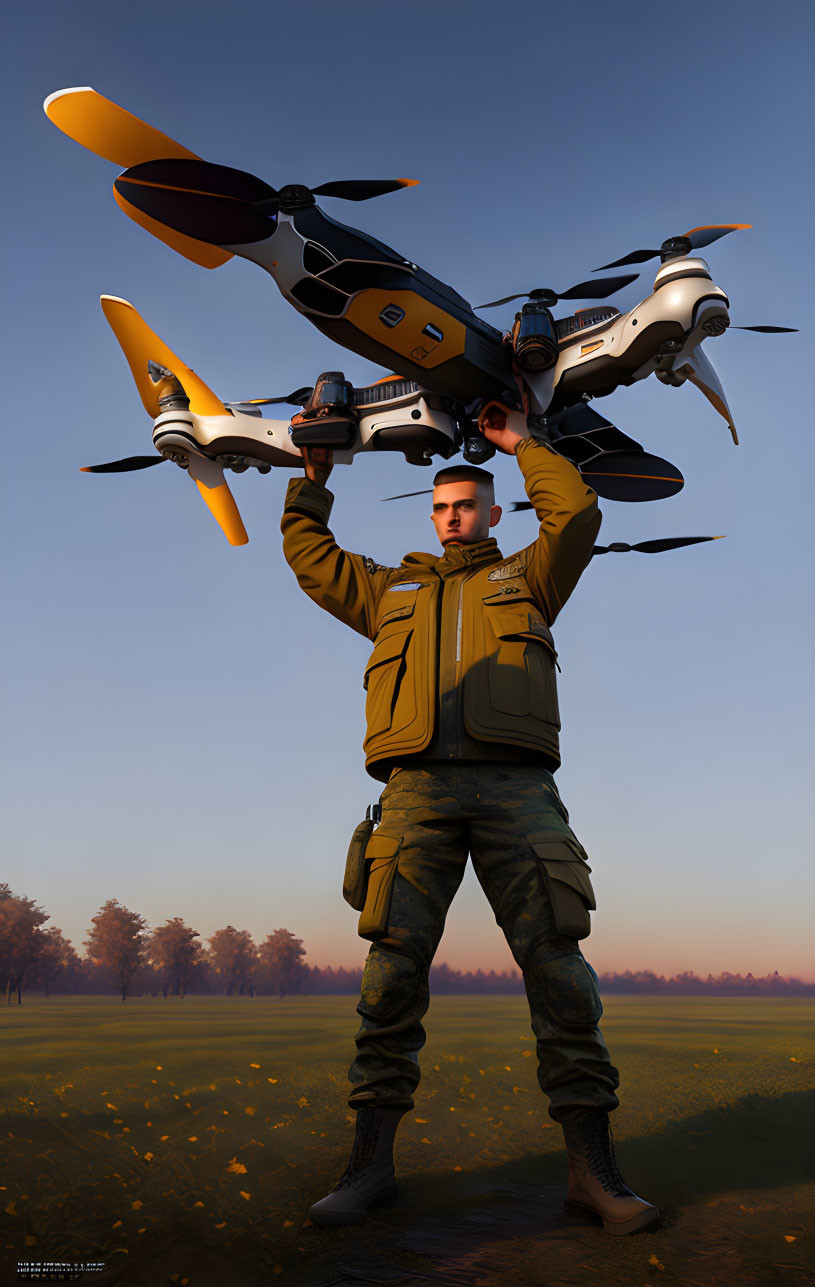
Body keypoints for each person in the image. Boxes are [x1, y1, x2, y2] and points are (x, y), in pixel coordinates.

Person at [280, 402, 658, 1236]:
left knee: (560, 974)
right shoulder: (389, 591)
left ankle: (591, 1173)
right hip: (414, 792)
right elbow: (311, 562)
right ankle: (367, 1167)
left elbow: (578, 512)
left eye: (466, 505)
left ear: (492, 511)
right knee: (389, 980)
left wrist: (521, 444)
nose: (453, 517)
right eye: (442, 507)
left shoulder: (528, 576)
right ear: (432, 514)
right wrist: (314, 480)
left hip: (516, 791)